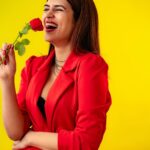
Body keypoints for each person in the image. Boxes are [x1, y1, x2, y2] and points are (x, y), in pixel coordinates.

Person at [0, 0, 112, 149]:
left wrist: (32, 137)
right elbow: (16, 132)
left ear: (79, 20)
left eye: (58, 9)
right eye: (46, 9)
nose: (48, 15)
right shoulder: (33, 66)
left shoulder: (90, 66)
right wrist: (6, 80)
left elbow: (87, 142)